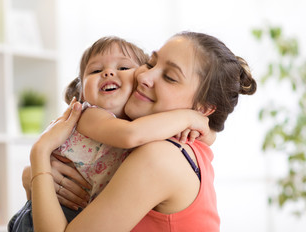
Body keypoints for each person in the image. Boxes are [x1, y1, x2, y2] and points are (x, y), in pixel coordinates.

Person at [27, 31, 257, 231]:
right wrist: (32, 176)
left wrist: (40, 155)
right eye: (151, 63)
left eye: (169, 77)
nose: (144, 76)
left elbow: (132, 136)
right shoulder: (175, 143)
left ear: (203, 109)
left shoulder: (159, 156)